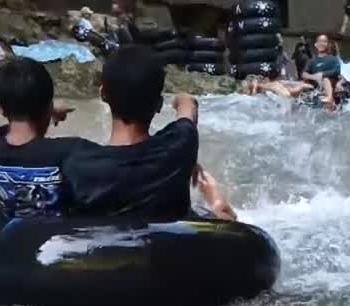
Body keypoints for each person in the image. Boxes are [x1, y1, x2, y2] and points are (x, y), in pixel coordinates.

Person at [61, 46, 235, 222]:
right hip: (168, 246)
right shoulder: (178, 149)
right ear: (159, 104)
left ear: (103, 94)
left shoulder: (77, 166)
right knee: (224, 215)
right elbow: (188, 106)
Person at [0, 58, 94, 218]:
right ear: (48, 106)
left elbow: (13, 128)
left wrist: (46, 110)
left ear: (2, 110)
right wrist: (47, 110)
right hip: (56, 240)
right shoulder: (72, 150)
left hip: (12, 235)